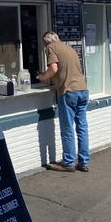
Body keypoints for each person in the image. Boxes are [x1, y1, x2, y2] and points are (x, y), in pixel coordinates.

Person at [37, 31, 90, 172]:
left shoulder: (51, 48)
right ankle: (84, 162)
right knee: (82, 127)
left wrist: (42, 77)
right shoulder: (69, 48)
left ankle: (68, 162)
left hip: (69, 91)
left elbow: (53, 68)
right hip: (83, 89)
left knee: (67, 128)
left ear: (46, 42)